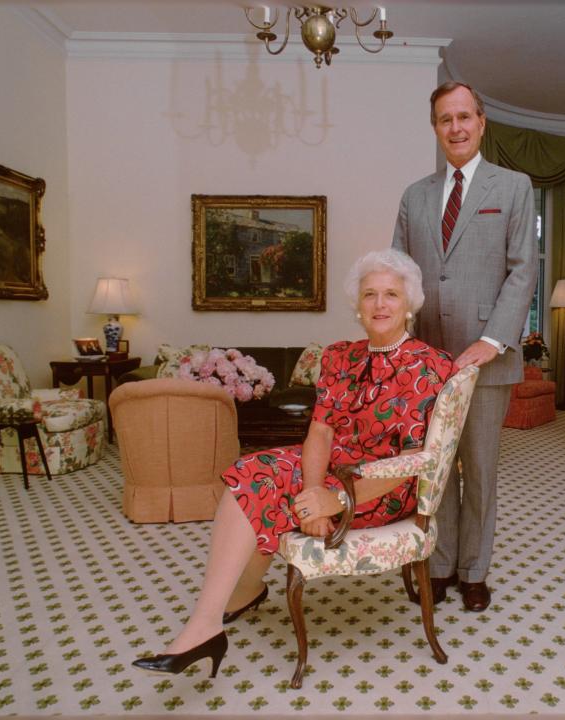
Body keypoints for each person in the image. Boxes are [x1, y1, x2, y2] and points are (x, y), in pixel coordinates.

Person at [132, 248, 454, 678]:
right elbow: (320, 431)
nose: (380, 305)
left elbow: (414, 460)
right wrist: (311, 490)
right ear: (357, 305)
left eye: (391, 295)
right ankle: (207, 623)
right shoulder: (341, 356)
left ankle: (239, 598)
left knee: (266, 491)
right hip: (333, 470)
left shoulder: (430, 364)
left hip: (383, 487)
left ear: (409, 303)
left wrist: (335, 501)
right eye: (370, 294)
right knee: (250, 473)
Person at [392, 81, 537, 612]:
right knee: (435, 466)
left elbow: (524, 272)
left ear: (481, 122)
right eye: (444, 119)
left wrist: (491, 340)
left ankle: (476, 571)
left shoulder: (514, 187)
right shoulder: (415, 195)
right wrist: (400, 342)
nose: (455, 127)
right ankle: (441, 564)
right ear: (435, 128)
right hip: (426, 359)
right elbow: (401, 273)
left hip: (488, 360)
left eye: (463, 117)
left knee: (478, 468)